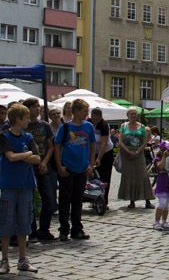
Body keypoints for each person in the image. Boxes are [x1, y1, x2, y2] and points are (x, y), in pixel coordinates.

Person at [0, 103, 41, 274]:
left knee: (24, 221)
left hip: (26, 184)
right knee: (6, 222)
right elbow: (10, 157)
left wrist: (24, 156)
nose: (29, 120)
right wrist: (26, 155)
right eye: (26, 118)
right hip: (9, 185)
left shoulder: (28, 137)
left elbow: (37, 158)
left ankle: (23, 259)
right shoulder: (4, 136)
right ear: (18, 119)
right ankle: (4, 260)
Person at [54, 98, 95, 240]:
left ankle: (77, 229)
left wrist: (91, 164)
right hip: (68, 168)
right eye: (85, 111)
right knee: (65, 200)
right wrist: (60, 166)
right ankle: (63, 229)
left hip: (82, 168)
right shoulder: (65, 127)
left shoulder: (88, 126)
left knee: (78, 200)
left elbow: (92, 146)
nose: (87, 114)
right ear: (76, 111)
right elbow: (57, 146)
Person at [22, 98, 53, 240]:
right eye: (34, 106)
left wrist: (45, 162)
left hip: (43, 165)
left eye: (38, 106)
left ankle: (44, 229)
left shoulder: (45, 126)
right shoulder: (23, 126)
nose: (37, 109)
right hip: (28, 166)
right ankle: (32, 230)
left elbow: (51, 146)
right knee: (30, 199)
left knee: (49, 199)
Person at [118, 108, 154, 209]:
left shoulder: (142, 127)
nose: (134, 115)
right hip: (127, 154)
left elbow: (145, 141)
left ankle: (147, 200)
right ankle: (131, 201)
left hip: (139, 153)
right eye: (132, 114)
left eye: (135, 114)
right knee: (129, 176)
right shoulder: (123, 126)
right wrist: (128, 151)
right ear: (128, 115)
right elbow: (120, 141)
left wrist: (138, 151)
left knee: (143, 175)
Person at [38, 108, 63, 238]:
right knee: (48, 191)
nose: (56, 116)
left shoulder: (63, 126)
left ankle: (44, 228)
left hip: (57, 162)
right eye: (53, 114)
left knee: (52, 195)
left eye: (58, 113)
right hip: (47, 164)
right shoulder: (47, 126)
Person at [90, 108, 114, 203]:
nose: (95, 121)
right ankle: (94, 199)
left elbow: (103, 144)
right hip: (93, 152)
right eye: (93, 118)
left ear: (100, 117)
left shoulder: (104, 125)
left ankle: (104, 200)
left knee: (104, 177)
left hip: (106, 153)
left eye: (97, 119)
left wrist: (99, 158)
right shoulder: (88, 123)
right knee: (93, 177)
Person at [152, 141, 169, 230]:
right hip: (162, 183)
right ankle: (156, 222)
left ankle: (164, 221)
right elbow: (160, 167)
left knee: (166, 204)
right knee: (162, 203)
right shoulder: (157, 159)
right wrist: (164, 157)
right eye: (168, 151)